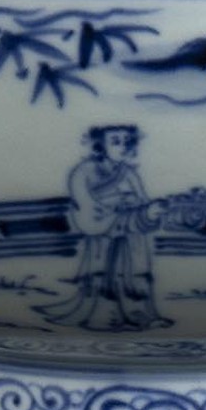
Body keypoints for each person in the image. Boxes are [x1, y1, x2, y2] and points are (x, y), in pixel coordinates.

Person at [36, 125, 172, 331]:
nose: (123, 146)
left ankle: (143, 316)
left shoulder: (129, 174)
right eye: (115, 141)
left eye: (127, 141)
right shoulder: (83, 172)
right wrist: (121, 211)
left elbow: (142, 205)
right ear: (100, 144)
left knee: (135, 274)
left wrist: (150, 213)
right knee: (105, 274)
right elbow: (86, 207)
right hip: (104, 232)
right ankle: (106, 318)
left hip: (132, 237)